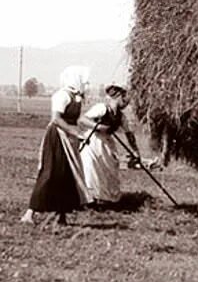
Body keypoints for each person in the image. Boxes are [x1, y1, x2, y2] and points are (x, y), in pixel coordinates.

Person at [21, 66, 92, 227]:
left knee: (67, 175)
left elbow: (76, 119)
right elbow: (56, 119)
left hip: (69, 138)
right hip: (57, 137)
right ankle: (29, 213)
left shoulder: (76, 97)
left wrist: (82, 134)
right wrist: (75, 133)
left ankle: (62, 215)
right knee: (50, 172)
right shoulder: (62, 95)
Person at [79, 84, 140, 205]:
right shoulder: (102, 108)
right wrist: (99, 127)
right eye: (125, 99)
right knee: (91, 170)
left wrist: (135, 151)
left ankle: (105, 199)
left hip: (106, 143)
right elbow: (82, 120)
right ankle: (90, 199)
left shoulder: (121, 117)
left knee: (109, 170)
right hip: (93, 141)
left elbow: (129, 134)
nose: (127, 103)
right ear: (118, 97)